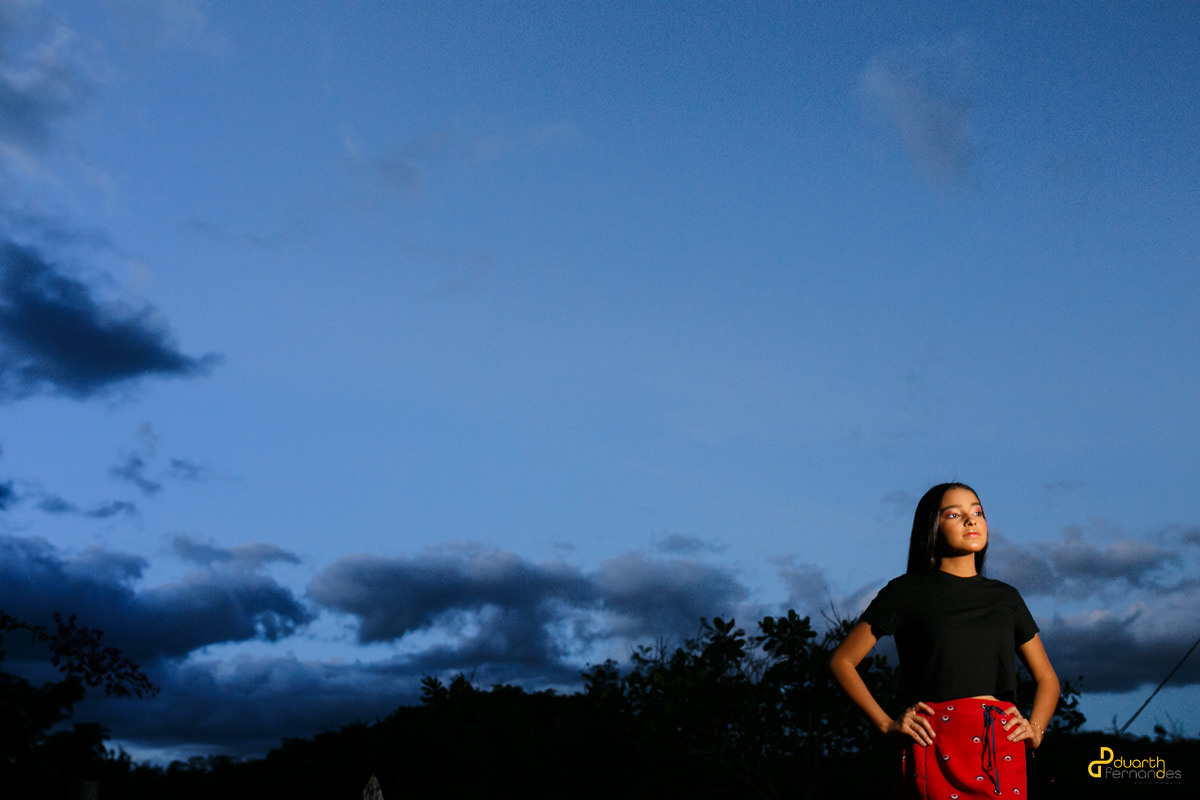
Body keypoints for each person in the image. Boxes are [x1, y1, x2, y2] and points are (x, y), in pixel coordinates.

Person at [828, 482, 1059, 797]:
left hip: (1000, 745)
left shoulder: (1006, 598)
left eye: (977, 512)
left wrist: (1036, 729)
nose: (971, 520)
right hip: (935, 742)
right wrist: (886, 724)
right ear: (931, 527)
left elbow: (1047, 678)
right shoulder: (904, 592)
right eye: (954, 514)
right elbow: (843, 661)